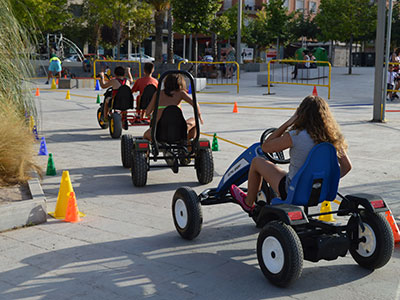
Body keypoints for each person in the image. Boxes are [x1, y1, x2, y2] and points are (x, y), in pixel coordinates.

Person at [230, 95, 352, 212]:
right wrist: (326, 181)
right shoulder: (334, 138)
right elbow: (347, 167)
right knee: (286, 173)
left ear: (301, 114)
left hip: (294, 191)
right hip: (321, 191)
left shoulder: (296, 136)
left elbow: (266, 147)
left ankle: (248, 202)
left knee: (257, 162)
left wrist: (289, 122)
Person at [143, 73, 203, 142]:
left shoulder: (158, 93)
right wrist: (199, 115)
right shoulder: (181, 93)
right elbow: (195, 104)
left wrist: (152, 115)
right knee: (194, 120)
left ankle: (146, 152)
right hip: (179, 131)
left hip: (159, 132)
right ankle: (189, 145)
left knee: (145, 136)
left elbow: (147, 112)